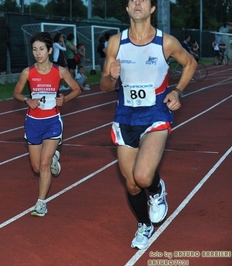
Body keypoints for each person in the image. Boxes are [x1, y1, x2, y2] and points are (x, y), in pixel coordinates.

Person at [100, 0, 197, 250]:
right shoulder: (115, 43)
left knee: (143, 176)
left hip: (156, 114)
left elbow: (190, 64)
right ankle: (144, 225)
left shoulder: (166, 42)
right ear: (127, 8)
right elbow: (104, 86)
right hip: (125, 118)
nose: (137, 3)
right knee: (131, 183)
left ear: (152, 8)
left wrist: (177, 92)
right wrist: (111, 76)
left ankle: (156, 189)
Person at [13, 31, 80, 217]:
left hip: (52, 121)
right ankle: (54, 159)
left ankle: (41, 203)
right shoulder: (28, 72)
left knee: (43, 164)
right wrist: (27, 99)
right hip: (33, 122)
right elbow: (16, 93)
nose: (38, 53)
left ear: (49, 50)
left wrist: (64, 99)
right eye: (34, 49)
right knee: (36, 167)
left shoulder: (60, 71)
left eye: (41, 49)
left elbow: (76, 89)